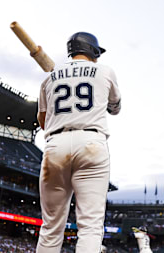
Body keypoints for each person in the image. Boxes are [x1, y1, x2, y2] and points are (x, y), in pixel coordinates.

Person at [36, 32, 122, 253]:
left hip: (56, 143)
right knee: (90, 227)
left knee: (51, 227)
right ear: (92, 50)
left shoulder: (49, 76)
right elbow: (115, 108)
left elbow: (43, 120)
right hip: (92, 142)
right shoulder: (105, 71)